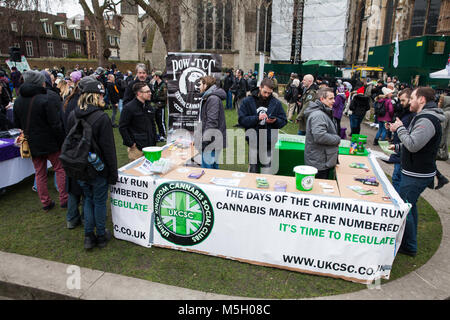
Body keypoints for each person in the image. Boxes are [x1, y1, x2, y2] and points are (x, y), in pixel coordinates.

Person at [388, 87, 445, 257]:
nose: (410, 101)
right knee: (410, 207)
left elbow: (414, 144)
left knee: (405, 207)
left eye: (412, 98)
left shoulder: (426, 119)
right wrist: (398, 147)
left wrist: (399, 128)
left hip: (416, 174)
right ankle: (409, 242)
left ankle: (409, 246)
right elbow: (418, 144)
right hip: (416, 171)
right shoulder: (424, 117)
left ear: (421, 100)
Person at [66, 76, 118, 249]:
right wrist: (113, 173)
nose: (103, 97)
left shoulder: (73, 115)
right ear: (95, 96)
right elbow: (109, 150)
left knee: (88, 200)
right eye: (101, 95)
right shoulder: (101, 118)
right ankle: (101, 235)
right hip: (98, 168)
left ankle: (89, 236)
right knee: (99, 201)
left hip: (79, 166)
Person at [13, 70, 68, 211]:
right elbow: (55, 124)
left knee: (40, 173)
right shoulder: (45, 99)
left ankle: (46, 202)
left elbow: (17, 124)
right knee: (59, 169)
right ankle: (64, 199)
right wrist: (62, 140)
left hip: (33, 142)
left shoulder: (18, 100)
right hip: (51, 142)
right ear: (38, 82)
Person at [238, 78, 287, 174]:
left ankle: (265, 188)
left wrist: (275, 121)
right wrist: (257, 118)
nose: (266, 95)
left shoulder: (276, 103)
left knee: (267, 171)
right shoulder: (247, 101)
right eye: (265, 92)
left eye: (269, 93)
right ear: (260, 87)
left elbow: (284, 121)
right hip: (253, 141)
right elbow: (242, 120)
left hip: (269, 142)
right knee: (253, 170)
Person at [304, 88, 341, 180]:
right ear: (322, 99)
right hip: (319, 162)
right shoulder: (318, 115)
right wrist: (337, 139)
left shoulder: (323, 112)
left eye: (334, 98)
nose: (334, 101)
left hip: (321, 159)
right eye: (330, 98)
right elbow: (319, 136)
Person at [119, 82, 157, 162]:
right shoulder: (129, 108)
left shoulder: (148, 106)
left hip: (150, 146)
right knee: (136, 172)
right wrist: (131, 144)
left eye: (150, 91)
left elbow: (152, 123)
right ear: (139, 93)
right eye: (147, 92)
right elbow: (122, 127)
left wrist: (154, 139)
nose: (150, 93)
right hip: (137, 149)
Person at [386, 88, 415, 192]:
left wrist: (398, 128)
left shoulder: (412, 115)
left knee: (398, 179)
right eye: (400, 100)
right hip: (399, 150)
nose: (401, 103)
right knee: (396, 178)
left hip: (404, 153)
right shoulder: (404, 112)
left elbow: (410, 136)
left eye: (403, 100)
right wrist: (393, 127)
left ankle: (399, 203)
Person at [197, 75, 227, 169]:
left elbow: (211, 122)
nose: (199, 87)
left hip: (211, 142)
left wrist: (204, 142)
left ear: (206, 85)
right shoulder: (210, 97)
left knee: (208, 171)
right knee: (213, 169)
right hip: (212, 140)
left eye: (200, 84)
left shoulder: (212, 99)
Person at [150, 71, 167, 142]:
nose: (153, 77)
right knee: (157, 120)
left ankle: (163, 134)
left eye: (154, 76)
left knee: (161, 121)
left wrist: (158, 98)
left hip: (161, 105)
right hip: (155, 105)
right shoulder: (155, 84)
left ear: (157, 76)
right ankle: (160, 134)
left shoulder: (163, 85)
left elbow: (165, 97)